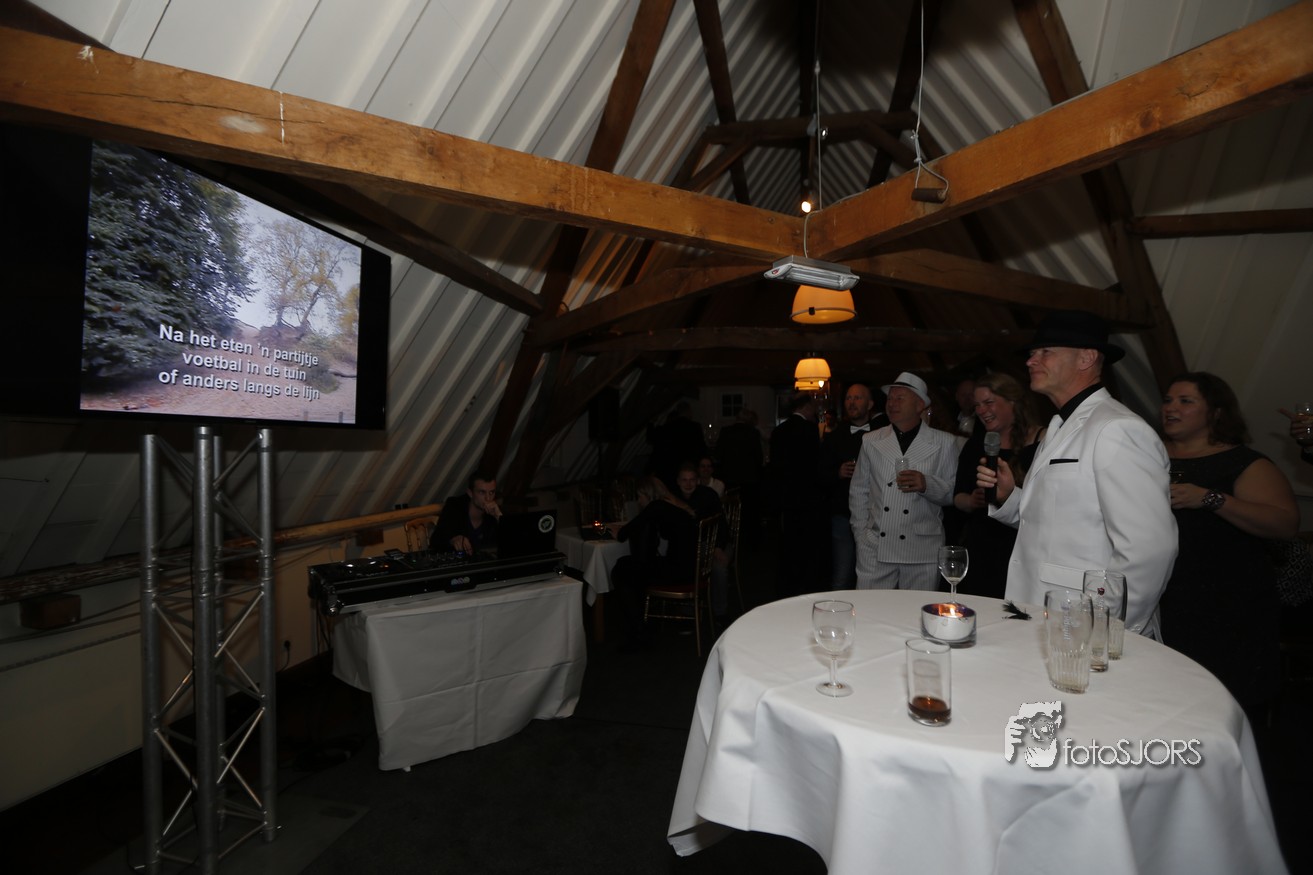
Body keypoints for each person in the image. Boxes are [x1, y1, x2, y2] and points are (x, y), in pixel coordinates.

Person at [976, 310, 1177, 638]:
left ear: (1086, 358)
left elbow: (1148, 550)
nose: (1030, 361)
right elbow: (1054, 522)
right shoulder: (1059, 426)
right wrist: (1010, 497)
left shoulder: (1117, 428)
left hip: (1083, 622)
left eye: (1045, 352)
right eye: (1032, 353)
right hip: (1043, 612)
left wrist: (1104, 630)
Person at [1159, 372, 1298, 719]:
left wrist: (1211, 498)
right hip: (1161, 594)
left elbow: (1283, 524)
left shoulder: (1244, 462)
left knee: (1219, 703)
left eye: (1185, 401)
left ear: (1216, 412)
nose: (1171, 408)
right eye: (1168, 400)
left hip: (1225, 602)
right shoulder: (1148, 455)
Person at [850, 372, 958, 590]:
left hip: (922, 549)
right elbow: (859, 491)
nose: (892, 403)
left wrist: (926, 484)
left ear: (920, 405)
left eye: (900, 398)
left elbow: (952, 494)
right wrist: (861, 535)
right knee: (872, 608)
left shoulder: (945, 442)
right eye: (890, 398)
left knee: (917, 609)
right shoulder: (871, 440)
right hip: (875, 547)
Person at [951, 374, 1044, 598]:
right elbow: (957, 498)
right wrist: (971, 501)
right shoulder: (976, 444)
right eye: (977, 405)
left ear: (1012, 401)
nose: (981, 410)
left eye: (988, 402)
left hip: (1022, 545)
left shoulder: (1043, 440)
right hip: (982, 546)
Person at [611, 476, 698, 649]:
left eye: (639, 496)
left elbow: (625, 533)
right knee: (630, 566)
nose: (638, 501)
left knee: (622, 570)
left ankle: (638, 631)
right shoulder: (675, 506)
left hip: (679, 572)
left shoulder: (656, 506)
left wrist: (617, 532)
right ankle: (641, 625)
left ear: (648, 494)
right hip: (691, 568)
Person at [820, 382, 886, 589]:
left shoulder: (884, 435)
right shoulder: (834, 437)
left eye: (858, 398)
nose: (852, 402)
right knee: (843, 572)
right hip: (843, 514)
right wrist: (837, 473)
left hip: (877, 515)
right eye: (849, 398)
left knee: (875, 574)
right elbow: (819, 475)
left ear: (870, 404)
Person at [769, 392, 825, 596]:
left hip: (786, 497)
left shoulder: (779, 431)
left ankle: (786, 588)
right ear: (807, 407)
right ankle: (805, 587)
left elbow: (774, 467)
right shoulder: (809, 430)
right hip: (807, 497)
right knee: (807, 546)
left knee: (788, 545)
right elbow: (815, 465)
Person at [716, 408, 765, 547]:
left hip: (730, 478)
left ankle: (731, 540)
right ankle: (750, 542)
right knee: (750, 513)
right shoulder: (753, 433)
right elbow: (759, 458)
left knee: (731, 512)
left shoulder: (725, 431)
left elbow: (718, 454)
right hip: (749, 479)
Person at [430, 470, 503, 555]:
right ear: (470, 493)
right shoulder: (455, 506)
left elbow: (511, 543)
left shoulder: (494, 514)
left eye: (491, 492)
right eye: (482, 492)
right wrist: (453, 539)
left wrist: (499, 517)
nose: (488, 498)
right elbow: (436, 540)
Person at [646, 401, 707, 491]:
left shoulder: (667, 427)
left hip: (669, 470)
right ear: (689, 412)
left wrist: (651, 422)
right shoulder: (695, 427)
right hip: (688, 468)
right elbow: (702, 449)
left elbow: (651, 437)